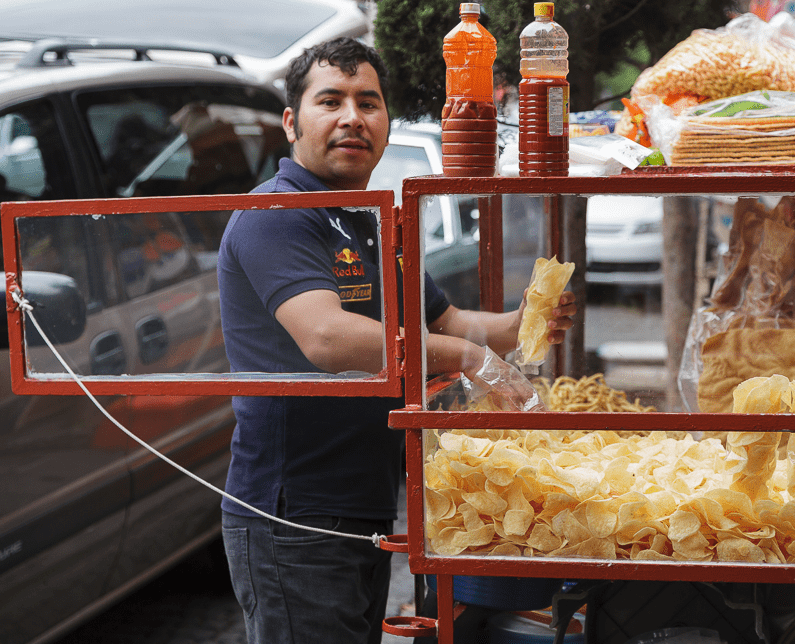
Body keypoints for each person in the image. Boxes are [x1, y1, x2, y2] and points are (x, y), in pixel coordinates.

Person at [216, 37, 576, 644]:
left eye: (369, 102)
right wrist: (469, 359)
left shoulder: (369, 218)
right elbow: (328, 338)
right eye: (330, 101)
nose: (352, 118)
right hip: (294, 515)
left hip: (362, 505)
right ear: (291, 122)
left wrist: (517, 327)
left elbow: (444, 321)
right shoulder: (279, 214)